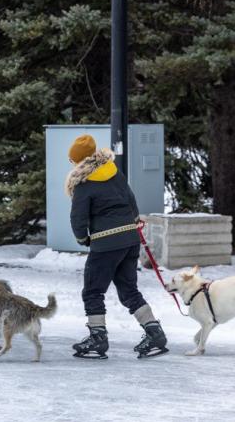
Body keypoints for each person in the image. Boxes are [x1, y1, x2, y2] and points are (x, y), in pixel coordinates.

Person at [65, 134, 168, 359]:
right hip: (130, 240)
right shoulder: (114, 173)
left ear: (80, 161)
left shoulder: (84, 184)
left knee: (93, 291)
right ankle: (155, 333)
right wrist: (130, 225)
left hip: (105, 244)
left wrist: (83, 239)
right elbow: (131, 203)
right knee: (129, 290)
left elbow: (78, 219)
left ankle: (98, 339)